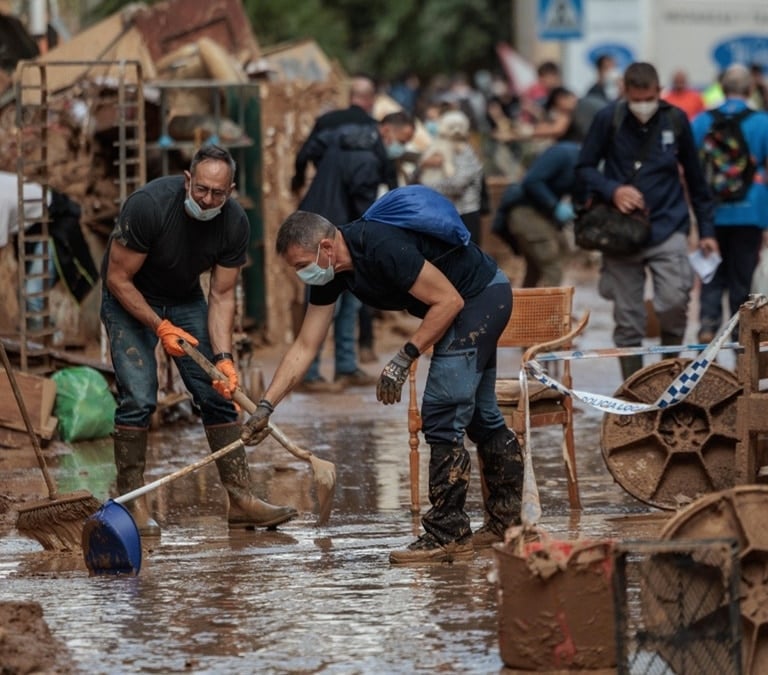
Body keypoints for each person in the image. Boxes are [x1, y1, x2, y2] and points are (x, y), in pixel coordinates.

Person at [239, 197, 524, 564]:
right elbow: (306, 345)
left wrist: (405, 356)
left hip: (479, 298)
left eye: (301, 266)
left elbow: (448, 302)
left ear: (326, 247)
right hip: (466, 302)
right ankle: (507, 523)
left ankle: (447, 533)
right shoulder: (331, 273)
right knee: (481, 416)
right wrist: (266, 406)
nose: (302, 276)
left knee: (441, 409)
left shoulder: (379, 245)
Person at [100, 145, 297, 536]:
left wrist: (223, 358)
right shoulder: (149, 206)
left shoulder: (234, 224)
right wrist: (160, 326)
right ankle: (131, 502)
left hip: (184, 297)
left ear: (231, 190)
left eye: (218, 193)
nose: (208, 199)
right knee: (140, 397)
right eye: (201, 189)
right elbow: (117, 278)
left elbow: (222, 296)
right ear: (188, 179)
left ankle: (240, 500)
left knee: (219, 392)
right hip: (129, 297)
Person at [576, 62, 718, 380]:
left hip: (669, 225)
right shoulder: (607, 118)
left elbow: (696, 181)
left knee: (674, 302)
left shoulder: (676, 120)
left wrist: (706, 230)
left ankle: (670, 380)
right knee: (628, 318)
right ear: (625, 93)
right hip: (620, 232)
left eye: (649, 98)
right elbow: (584, 167)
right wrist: (613, 190)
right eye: (636, 99)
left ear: (659, 91)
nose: (643, 105)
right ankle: (634, 390)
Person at [291, 76, 402, 389]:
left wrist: (297, 180)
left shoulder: (334, 135)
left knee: (344, 297)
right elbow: (367, 199)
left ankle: (345, 366)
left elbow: (304, 154)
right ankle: (312, 373)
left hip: (318, 218)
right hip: (332, 230)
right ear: (385, 131)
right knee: (326, 299)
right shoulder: (367, 153)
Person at [690, 63, 768, 342]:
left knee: (711, 274)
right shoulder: (763, 122)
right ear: (749, 89)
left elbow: (690, 169)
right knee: (743, 278)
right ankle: (741, 340)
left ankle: (708, 328)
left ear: (721, 88)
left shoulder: (700, 121)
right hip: (752, 210)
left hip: (711, 211)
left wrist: (695, 214)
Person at [492, 138, 583, 287]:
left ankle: (525, 308)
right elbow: (532, 180)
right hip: (525, 212)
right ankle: (545, 310)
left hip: (543, 214)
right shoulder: (564, 154)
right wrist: (554, 206)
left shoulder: (586, 165)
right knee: (553, 267)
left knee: (538, 267)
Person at [413, 109, 484, 243]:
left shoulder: (466, 152)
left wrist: (429, 187)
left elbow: (458, 184)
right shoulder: (435, 146)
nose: (456, 131)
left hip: (464, 212)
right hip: (441, 212)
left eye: (459, 127)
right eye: (452, 127)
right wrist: (424, 166)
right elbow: (419, 172)